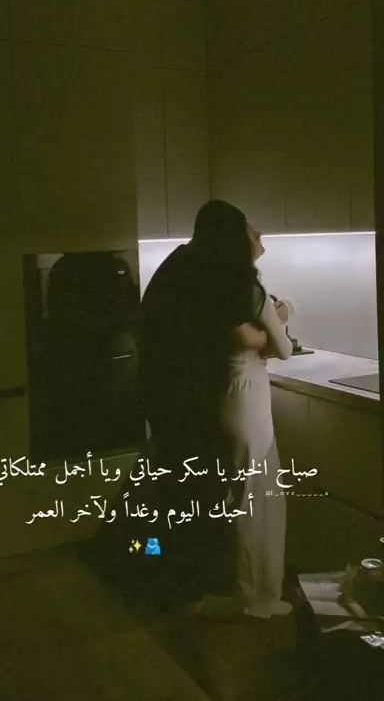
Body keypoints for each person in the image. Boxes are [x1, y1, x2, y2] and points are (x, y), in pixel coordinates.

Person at [138, 200, 293, 616]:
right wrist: (276, 317)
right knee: (203, 497)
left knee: (192, 496)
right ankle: (191, 594)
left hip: (177, 398)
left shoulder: (187, 265)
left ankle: (186, 589)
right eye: (248, 230)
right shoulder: (204, 275)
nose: (255, 236)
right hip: (185, 402)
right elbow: (242, 336)